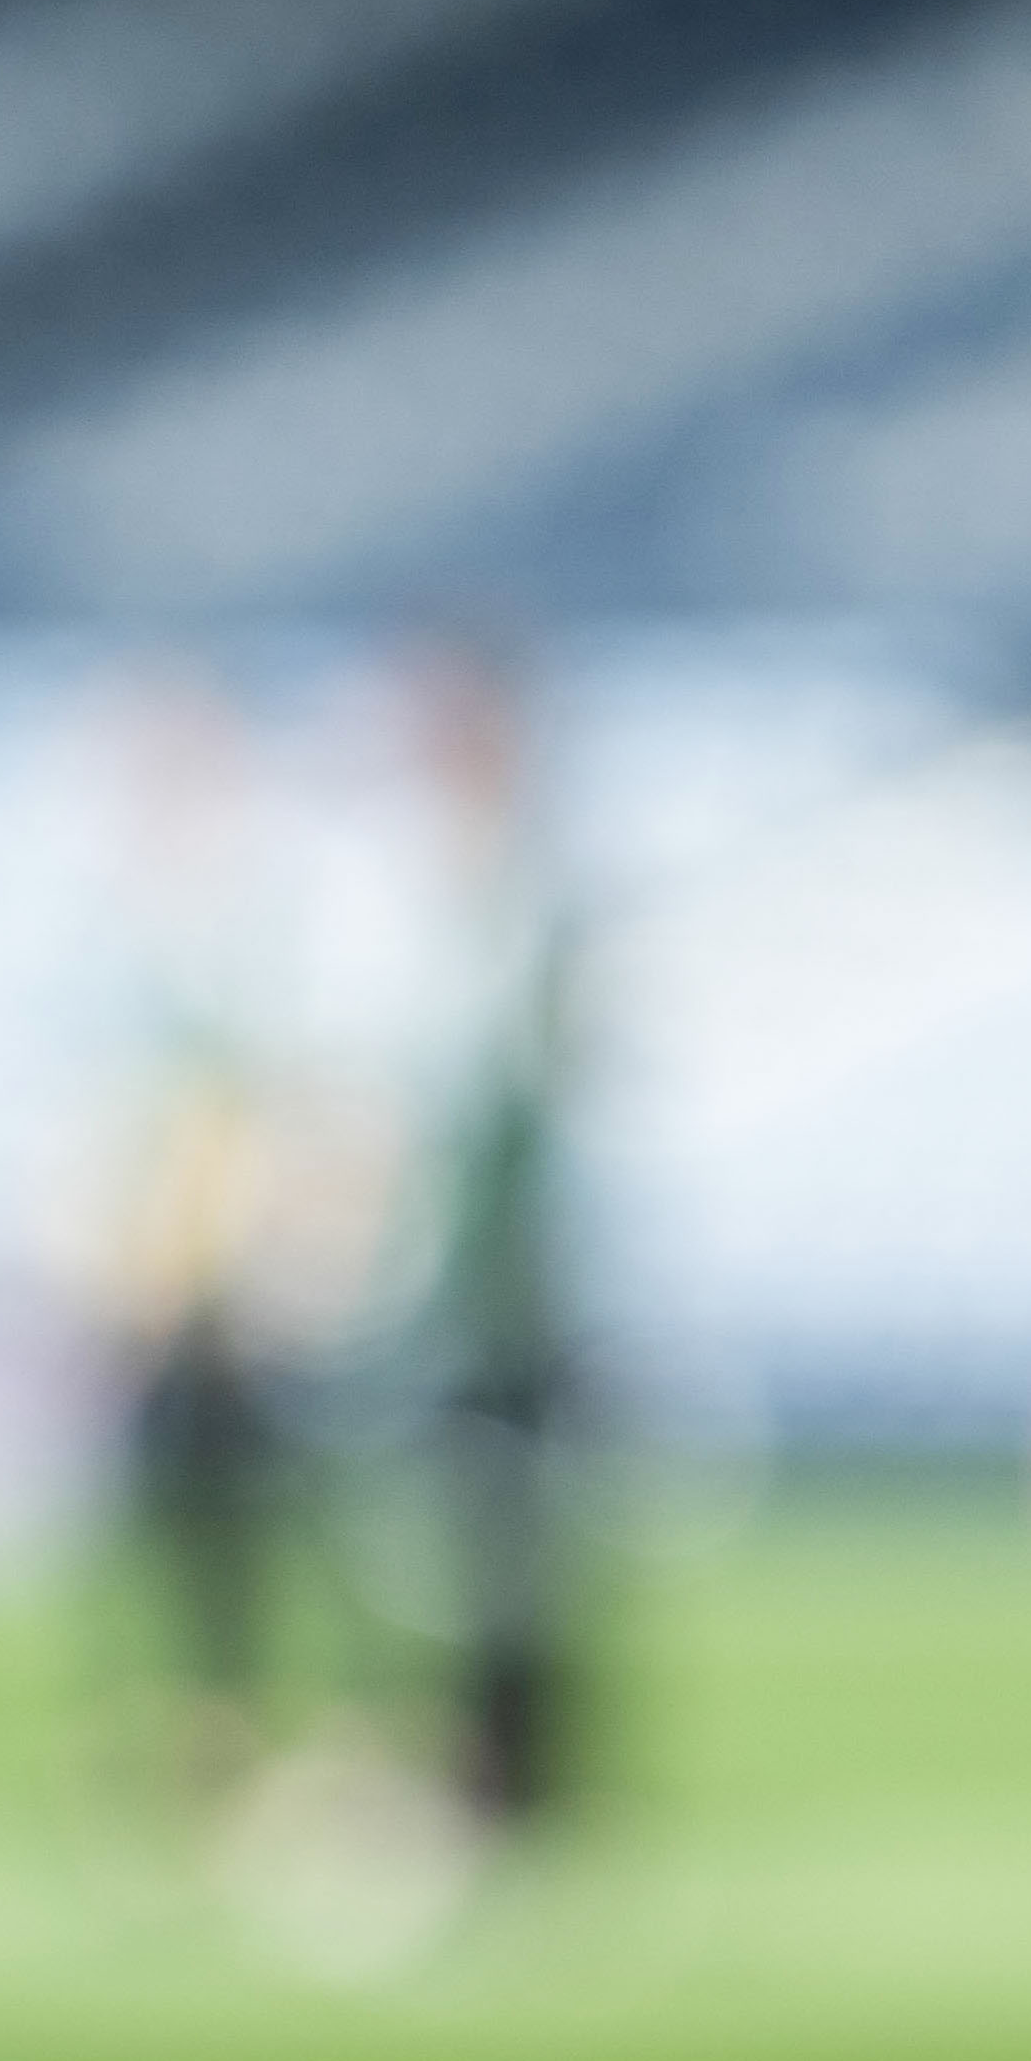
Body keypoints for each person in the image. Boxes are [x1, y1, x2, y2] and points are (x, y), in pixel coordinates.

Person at [83, 666, 298, 1803]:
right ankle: (186, 1730)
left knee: (243, 1534)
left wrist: (241, 1261)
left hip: (220, 1289)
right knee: (156, 1527)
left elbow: (254, 1114)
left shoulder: (245, 927)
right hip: (151, 1282)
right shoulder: (131, 925)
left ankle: (236, 1735)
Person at [393, 632, 591, 1840]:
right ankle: (458, 1766)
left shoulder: (530, 897)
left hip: (503, 1284)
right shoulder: (401, 895)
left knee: (511, 1544)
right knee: (435, 1542)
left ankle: (514, 1779)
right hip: (425, 1282)